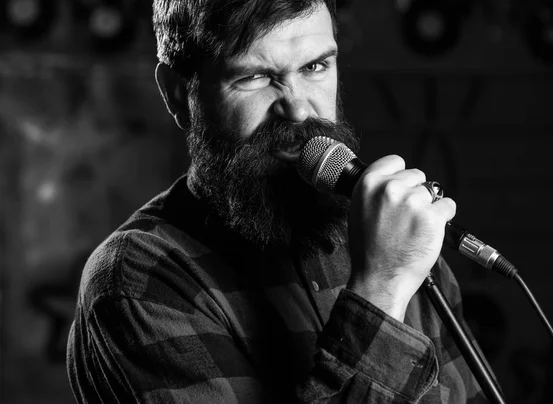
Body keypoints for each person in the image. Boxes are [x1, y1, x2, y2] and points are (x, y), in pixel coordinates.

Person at [66, 0, 492, 402]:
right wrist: (381, 289)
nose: (298, 110)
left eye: (315, 66)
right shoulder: (140, 282)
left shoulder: (393, 233)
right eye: (255, 77)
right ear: (178, 92)